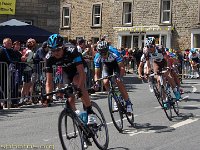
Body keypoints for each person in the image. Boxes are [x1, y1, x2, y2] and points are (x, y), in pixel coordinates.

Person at [45, 34, 96, 125]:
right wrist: (48, 97)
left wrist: (79, 89)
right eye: (53, 50)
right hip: (67, 71)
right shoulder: (49, 58)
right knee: (70, 98)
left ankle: (90, 112)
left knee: (77, 84)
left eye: (58, 49)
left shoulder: (72, 50)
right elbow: (49, 81)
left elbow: (81, 73)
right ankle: (80, 116)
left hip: (79, 68)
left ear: (63, 47)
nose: (56, 52)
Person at [93, 40, 133, 114]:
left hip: (116, 65)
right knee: (105, 82)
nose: (103, 56)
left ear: (108, 50)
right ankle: (116, 98)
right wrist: (96, 83)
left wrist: (120, 77)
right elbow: (96, 74)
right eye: (101, 54)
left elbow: (121, 67)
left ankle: (128, 102)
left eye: (105, 54)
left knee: (118, 81)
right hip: (107, 66)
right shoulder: (97, 57)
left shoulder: (114, 52)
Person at [143, 37, 181, 106]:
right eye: (147, 46)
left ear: (154, 45)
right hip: (156, 62)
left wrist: (168, 67)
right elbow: (148, 64)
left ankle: (176, 91)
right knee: (158, 80)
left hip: (164, 61)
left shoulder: (160, 48)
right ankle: (165, 99)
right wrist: (147, 72)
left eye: (151, 46)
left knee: (168, 75)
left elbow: (166, 58)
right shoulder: (146, 51)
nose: (149, 48)